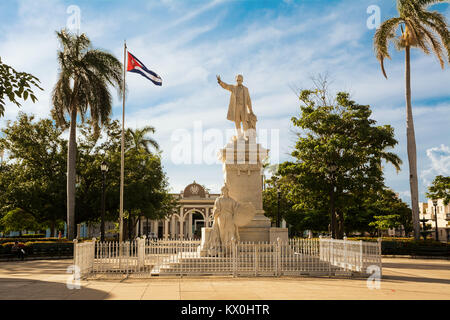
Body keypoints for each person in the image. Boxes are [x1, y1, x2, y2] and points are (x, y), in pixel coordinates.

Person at [217, 74, 256, 141]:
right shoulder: (233, 88)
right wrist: (220, 82)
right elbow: (226, 86)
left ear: (242, 80)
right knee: (237, 121)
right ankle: (239, 135)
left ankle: (246, 135)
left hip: (243, 108)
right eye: (237, 80)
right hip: (236, 107)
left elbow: (248, 100)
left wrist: (251, 110)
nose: (239, 81)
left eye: (240, 80)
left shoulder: (246, 89)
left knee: (244, 121)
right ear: (236, 80)